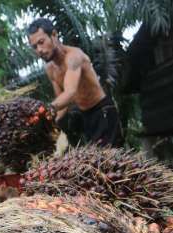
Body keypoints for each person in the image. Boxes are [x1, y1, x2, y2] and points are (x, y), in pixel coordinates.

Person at [27, 18, 123, 147]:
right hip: (86, 116)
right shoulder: (50, 69)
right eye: (35, 47)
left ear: (54, 35)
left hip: (102, 111)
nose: (39, 49)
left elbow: (70, 93)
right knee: (96, 161)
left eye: (41, 42)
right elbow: (62, 104)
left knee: (111, 159)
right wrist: (47, 123)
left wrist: (43, 111)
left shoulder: (74, 57)